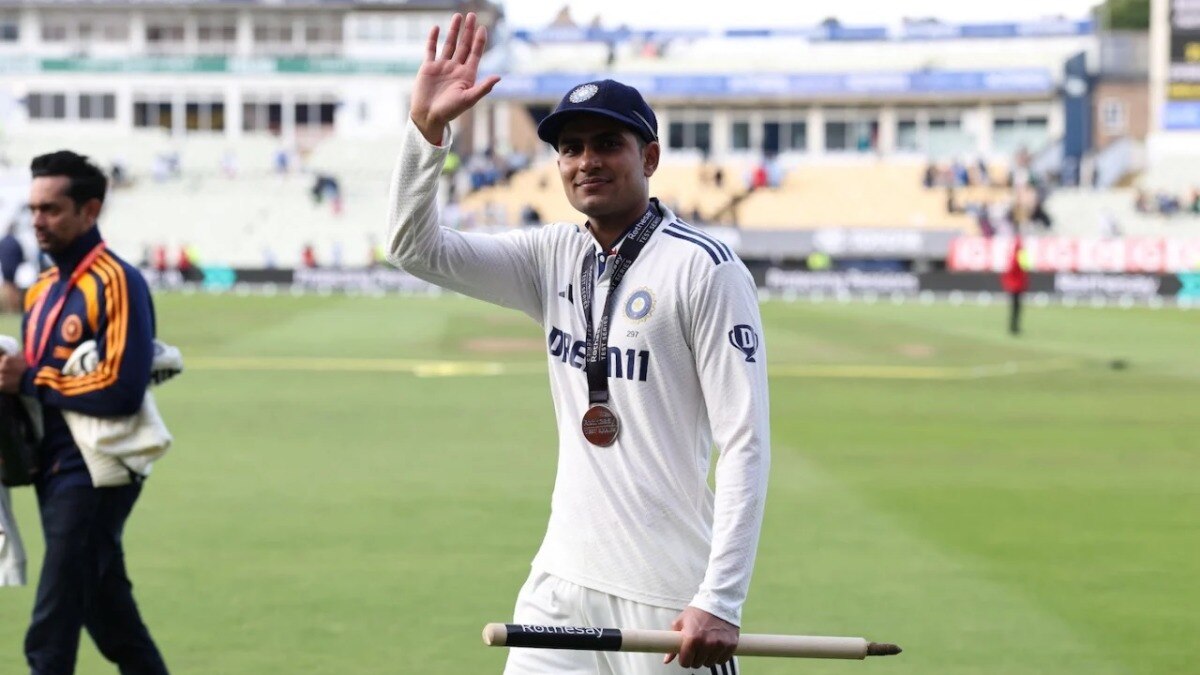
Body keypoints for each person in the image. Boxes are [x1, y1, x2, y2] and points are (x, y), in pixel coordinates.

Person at [386, 14, 770, 673]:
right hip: (560, 585)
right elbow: (414, 249)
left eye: (605, 143)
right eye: (569, 147)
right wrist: (428, 133)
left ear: (648, 156)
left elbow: (745, 441)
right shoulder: (552, 254)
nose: (585, 160)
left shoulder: (704, 267)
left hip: (668, 595)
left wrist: (721, 596)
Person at [0, 150, 169, 674]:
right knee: (114, 623)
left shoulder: (118, 281)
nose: (37, 221)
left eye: (51, 209)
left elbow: (121, 389)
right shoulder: (43, 290)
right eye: (33, 209)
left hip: (98, 468)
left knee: (50, 631)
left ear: (89, 211)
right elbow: (40, 388)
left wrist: (31, 377)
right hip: (52, 465)